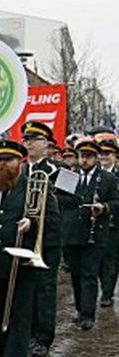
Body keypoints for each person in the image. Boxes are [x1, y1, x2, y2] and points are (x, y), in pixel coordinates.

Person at [0, 140, 51, 357]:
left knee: (19, 319)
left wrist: (32, 222)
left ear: (20, 162)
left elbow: (52, 222)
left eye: (9, 160)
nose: (3, 164)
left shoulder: (35, 188)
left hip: (22, 264)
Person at [61, 139, 119, 330]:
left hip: (95, 233)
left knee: (89, 273)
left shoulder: (107, 179)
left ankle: (88, 314)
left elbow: (116, 202)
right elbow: (59, 199)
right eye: (81, 156)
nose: (84, 160)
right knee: (76, 274)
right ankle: (80, 309)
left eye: (88, 157)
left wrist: (104, 207)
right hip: (71, 232)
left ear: (95, 158)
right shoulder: (69, 176)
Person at [18, 122, 63, 357]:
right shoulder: (20, 171)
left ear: (46, 144)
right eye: (26, 138)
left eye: (34, 138)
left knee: (45, 289)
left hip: (48, 241)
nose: (29, 142)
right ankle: (28, 334)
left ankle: (43, 338)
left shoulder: (59, 172)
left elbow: (71, 207)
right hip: (24, 239)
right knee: (26, 289)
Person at [97, 139, 119, 306]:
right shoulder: (93, 174)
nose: (104, 157)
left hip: (114, 223)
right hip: (95, 224)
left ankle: (107, 293)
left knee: (111, 258)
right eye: (102, 154)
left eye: (107, 154)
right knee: (97, 259)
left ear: (114, 156)